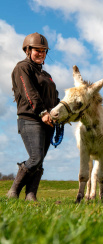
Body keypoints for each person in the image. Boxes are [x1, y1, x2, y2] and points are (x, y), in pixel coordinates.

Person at [7, 32, 59, 201]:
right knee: (35, 158)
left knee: (39, 161)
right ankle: (13, 191)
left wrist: (61, 114)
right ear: (28, 50)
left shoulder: (46, 75)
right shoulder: (23, 67)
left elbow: (55, 98)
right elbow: (29, 93)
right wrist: (43, 112)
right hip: (30, 119)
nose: (41, 53)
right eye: (37, 50)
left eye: (44, 51)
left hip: (48, 122)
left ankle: (31, 196)